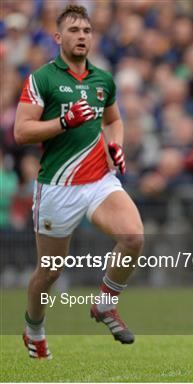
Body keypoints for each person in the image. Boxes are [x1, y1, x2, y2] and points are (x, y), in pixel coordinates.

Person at [14, 5, 144, 359]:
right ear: (58, 38)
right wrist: (64, 122)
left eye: (86, 30)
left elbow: (114, 121)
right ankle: (34, 329)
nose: (82, 36)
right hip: (56, 187)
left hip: (98, 182)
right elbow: (21, 131)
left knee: (133, 236)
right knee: (50, 272)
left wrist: (116, 145)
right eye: (73, 30)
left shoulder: (103, 79)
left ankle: (104, 304)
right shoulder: (43, 78)